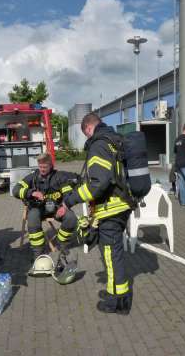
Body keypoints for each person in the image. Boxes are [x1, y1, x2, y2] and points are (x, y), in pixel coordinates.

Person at [62, 113, 133, 315]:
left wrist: (70, 200)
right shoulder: (113, 140)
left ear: (87, 129)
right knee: (115, 255)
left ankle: (117, 302)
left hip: (111, 208)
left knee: (111, 257)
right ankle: (120, 295)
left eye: (85, 135)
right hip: (120, 206)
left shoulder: (99, 144)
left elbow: (98, 184)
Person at [12, 153, 78, 272]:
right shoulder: (32, 177)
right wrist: (31, 193)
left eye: (45, 167)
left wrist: (65, 206)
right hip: (38, 209)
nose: (42, 169)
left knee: (71, 218)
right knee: (32, 220)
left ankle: (61, 243)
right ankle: (38, 253)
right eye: (40, 167)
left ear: (51, 165)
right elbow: (15, 190)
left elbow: (68, 193)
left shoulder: (59, 177)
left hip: (56, 208)